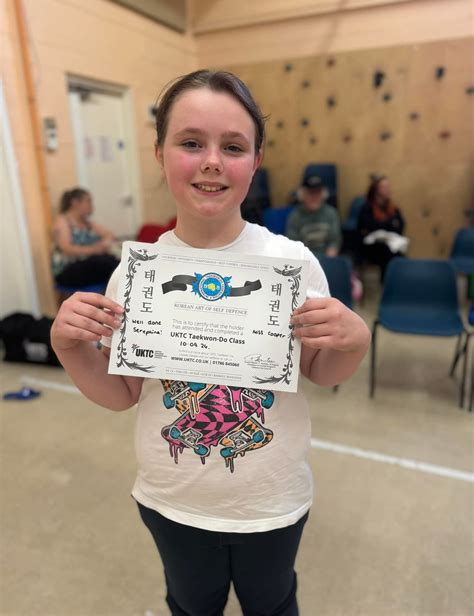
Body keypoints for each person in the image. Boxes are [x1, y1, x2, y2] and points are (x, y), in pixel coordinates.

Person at [51, 70, 370, 616]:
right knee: (191, 605)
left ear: (257, 159)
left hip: (272, 501)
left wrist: (353, 341)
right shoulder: (137, 274)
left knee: (273, 604)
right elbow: (122, 392)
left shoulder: (291, 263)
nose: (212, 162)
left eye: (234, 147)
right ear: (160, 152)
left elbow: (320, 370)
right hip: (173, 500)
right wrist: (70, 348)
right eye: (191, 142)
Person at [52, 187, 120, 288]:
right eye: (88, 201)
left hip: (88, 265)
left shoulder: (88, 223)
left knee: (113, 262)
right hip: (67, 270)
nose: (91, 206)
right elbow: (66, 249)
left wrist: (105, 243)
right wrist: (94, 249)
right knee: (105, 263)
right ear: (75, 203)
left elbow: (111, 236)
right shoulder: (62, 221)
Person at [357, 175, 406, 281]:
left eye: (389, 186)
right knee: (385, 253)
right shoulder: (366, 209)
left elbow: (400, 227)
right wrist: (389, 225)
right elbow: (368, 228)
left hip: (391, 245)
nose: (388, 189)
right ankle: (385, 283)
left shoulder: (394, 209)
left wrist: (386, 226)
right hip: (373, 247)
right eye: (385, 187)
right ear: (376, 190)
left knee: (399, 255)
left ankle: (398, 282)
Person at [286, 175, 342, 257]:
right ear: (303, 195)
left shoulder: (331, 213)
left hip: (326, 258)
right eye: (311, 193)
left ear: (323, 195)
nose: (315, 197)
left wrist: (329, 258)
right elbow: (294, 245)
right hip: (305, 259)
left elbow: (334, 241)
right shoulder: (295, 216)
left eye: (318, 193)